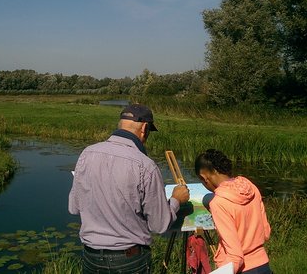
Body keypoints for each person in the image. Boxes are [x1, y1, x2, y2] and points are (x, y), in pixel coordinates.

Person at [69, 104, 190, 273]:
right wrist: (176, 200)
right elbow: (159, 225)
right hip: (128, 261)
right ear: (144, 129)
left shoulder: (87, 154)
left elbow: (74, 207)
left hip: (91, 257)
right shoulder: (146, 166)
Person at [195, 149, 272, 274]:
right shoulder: (250, 187)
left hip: (241, 270)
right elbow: (266, 232)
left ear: (204, 178)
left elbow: (235, 256)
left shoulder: (219, 203)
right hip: (263, 265)